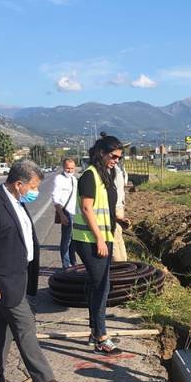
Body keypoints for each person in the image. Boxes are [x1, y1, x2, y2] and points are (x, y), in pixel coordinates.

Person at [0, 160, 68, 382]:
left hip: (18, 276)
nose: (35, 192)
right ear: (18, 184)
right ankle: (44, 381)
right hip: (3, 282)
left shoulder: (16, 201)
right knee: (25, 325)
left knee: (0, 330)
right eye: (33, 187)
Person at [71, 135, 130, 355]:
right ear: (102, 153)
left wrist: (119, 220)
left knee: (97, 284)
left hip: (104, 236)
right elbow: (87, 209)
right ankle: (101, 338)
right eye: (113, 156)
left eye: (119, 157)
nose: (116, 160)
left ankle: (94, 331)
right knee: (101, 286)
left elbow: (105, 206)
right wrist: (99, 239)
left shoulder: (107, 174)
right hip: (89, 239)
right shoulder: (90, 175)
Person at [51, 158, 78, 269]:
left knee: (74, 241)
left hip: (76, 213)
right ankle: (66, 266)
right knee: (66, 241)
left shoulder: (75, 179)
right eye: (68, 168)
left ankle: (73, 263)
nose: (70, 170)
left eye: (72, 168)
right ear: (63, 167)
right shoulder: (59, 179)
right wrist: (61, 214)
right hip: (66, 212)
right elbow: (55, 198)